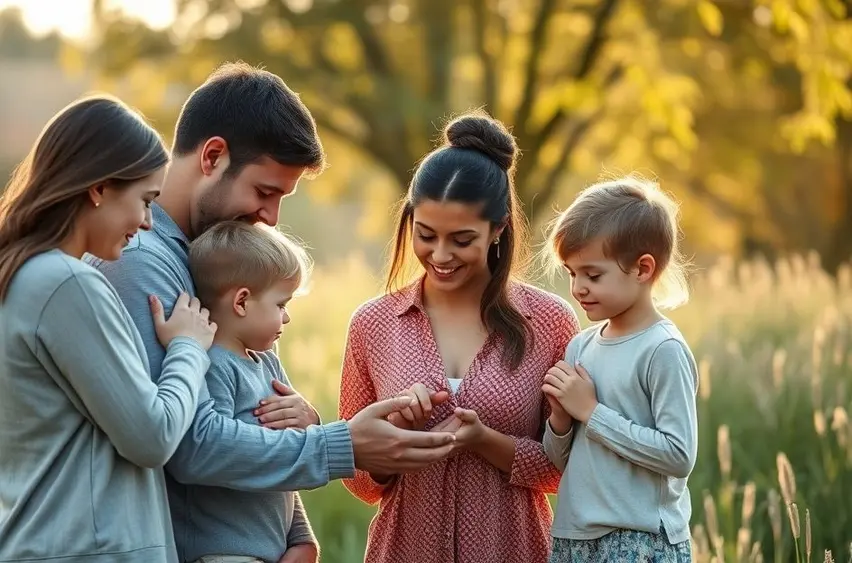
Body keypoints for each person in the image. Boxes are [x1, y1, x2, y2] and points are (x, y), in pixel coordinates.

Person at [90, 62, 456, 563]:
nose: (271, 217)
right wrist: (342, 446)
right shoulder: (141, 264)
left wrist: (297, 535)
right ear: (214, 157)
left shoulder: (228, 265)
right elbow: (188, 442)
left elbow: (256, 413)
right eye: (265, 192)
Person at [337, 111, 582, 563]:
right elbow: (361, 483)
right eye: (425, 235)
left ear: (498, 229)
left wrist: (483, 440)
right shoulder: (373, 324)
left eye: (462, 239)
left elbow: (563, 470)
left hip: (514, 551)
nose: (441, 255)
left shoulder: (549, 323)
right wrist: (394, 435)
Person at [0, 95, 216, 562]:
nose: (145, 221)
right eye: (144, 200)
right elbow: (152, 437)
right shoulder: (66, 283)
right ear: (99, 188)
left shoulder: (18, 279)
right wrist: (187, 348)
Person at [540, 176, 699, 563]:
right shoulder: (580, 346)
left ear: (643, 269)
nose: (578, 287)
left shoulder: (662, 349)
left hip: (640, 540)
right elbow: (562, 462)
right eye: (571, 272)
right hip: (575, 538)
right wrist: (561, 420)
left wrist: (591, 412)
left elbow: (679, 455)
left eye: (592, 275)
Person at [182, 221, 320, 563]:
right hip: (224, 554)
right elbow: (222, 451)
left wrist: (311, 421)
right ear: (242, 301)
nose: (286, 318)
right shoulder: (213, 365)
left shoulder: (267, 364)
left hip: (272, 551)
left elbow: (288, 438)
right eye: (281, 304)